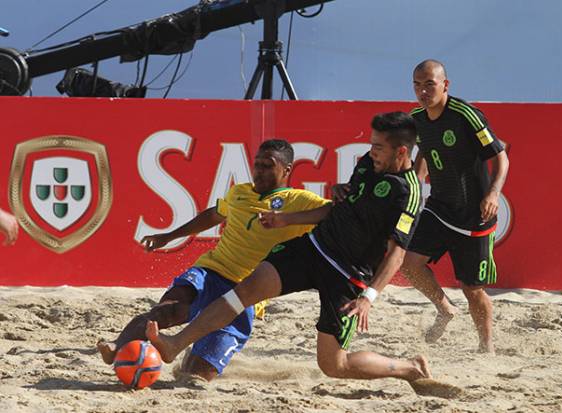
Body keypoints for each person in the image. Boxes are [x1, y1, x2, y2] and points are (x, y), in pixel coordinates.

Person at [144, 112, 464, 398]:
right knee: (246, 289)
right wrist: (286, 220)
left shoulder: (407, 193)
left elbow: (396, 254)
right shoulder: (369, 163)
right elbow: (333, 210)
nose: (371, 151)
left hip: (349, 276)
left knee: (334, 365)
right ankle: (175, 345)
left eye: (379, 147)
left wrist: (369, 296)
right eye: (372, 143)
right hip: (315, 247)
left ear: (402, 151)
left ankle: (409, 368)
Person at [97, 139, 329, 381]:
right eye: (257, 164)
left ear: (287, 170)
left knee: (195, 374)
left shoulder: (299, 200)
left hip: (246, 291)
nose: (259, 170)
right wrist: (169, 236)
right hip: (211, 271)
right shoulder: (239, 192)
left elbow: (333, 211)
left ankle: (191, 354)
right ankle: (117, 345)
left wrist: (344, 193)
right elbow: (213, 215)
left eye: (267, 165)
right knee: (168, 309)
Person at [402, 59, 509, 354]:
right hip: (439, 207)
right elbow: (422, 155)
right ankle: (444, 308)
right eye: (417, 85)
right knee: (409, 264)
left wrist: (493, 194)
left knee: (472, 289)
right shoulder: (416, 118)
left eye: (429, 84)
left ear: (445, 85)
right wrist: (413, 184)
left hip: (474, 213)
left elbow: (501, 157)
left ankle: (485, 347)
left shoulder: (465, 115)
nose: (423, 91)